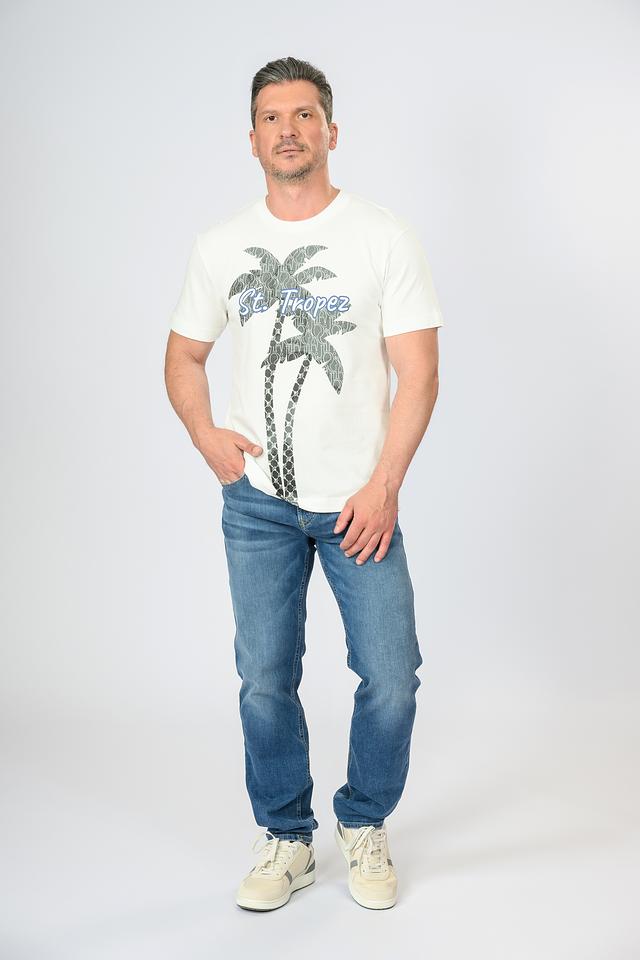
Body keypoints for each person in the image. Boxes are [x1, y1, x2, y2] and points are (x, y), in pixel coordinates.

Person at [164, 56, 444, 912]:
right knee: (264, 677)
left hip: (360, 503)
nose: (287, 129)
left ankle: (364, 821)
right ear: (251, 139)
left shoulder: (382, 235)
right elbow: (183, 356)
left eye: (303, 114)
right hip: (258, 507)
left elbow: (419, 372)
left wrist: (384, 484)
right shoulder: (222, 246)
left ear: (331, 130)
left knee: (392, 674)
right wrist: (207, 437)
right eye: (271, 117)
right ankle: (287, 836)